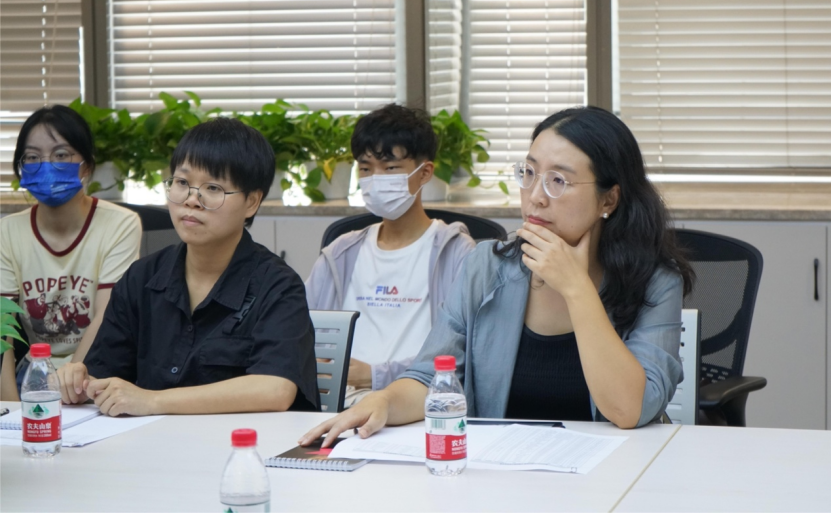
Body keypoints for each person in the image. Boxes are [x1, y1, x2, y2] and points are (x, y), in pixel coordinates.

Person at [301, 106, 695, 446]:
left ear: (609, 198)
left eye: (558, 181)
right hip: (499, 474)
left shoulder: (656, 281)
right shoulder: (487, 266)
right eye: (529, 173)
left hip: (614, 478)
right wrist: (384, 401)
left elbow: (629, 409)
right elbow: (429, 377)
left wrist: (576, 288)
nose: (535, 196)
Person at [57, 117, 320, 416]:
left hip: (242, 441)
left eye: (213, 187)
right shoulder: (141, 278)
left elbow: (275, 389)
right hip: (149, 441)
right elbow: (104, 375)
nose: (192, 200)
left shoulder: (278, 285)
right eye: (182, 183)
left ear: (251, 202)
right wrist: (80, 383)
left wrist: (153, 401)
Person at [305, 104, 475, 405]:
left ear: (425, 173)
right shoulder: (340, 253)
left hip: (416, 408)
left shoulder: (457, 253)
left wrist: (375, 375)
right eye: (366, 169)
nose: (376, 179)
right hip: (334, 408)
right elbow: (300, 332)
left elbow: (463, 352)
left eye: (391, 168)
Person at [1, 105, 141, 401]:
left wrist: (69, 383)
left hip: (99, 369)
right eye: (32, 157)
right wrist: (10, 409)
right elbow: (4, 330)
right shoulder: (7, 231)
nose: (46, 166)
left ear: (86, 166)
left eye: (61, 155)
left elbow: (106, 316)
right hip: (34, 373)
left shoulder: (121, 224)